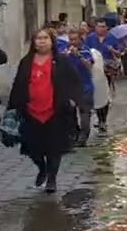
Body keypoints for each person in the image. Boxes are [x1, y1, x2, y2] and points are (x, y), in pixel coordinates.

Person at [8, 29, 81, 194]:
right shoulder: (26, 62)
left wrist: (73, 99)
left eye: (45, 38)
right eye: (38, 38)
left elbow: (74, 81)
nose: (42, 41)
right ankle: (42, 168)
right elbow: (18, 84)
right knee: (33, 148)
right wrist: (13, 106)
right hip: (31, 111)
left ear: (51, 41)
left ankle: (52, 178)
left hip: (55, 111)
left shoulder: (61, 61)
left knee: (54, 148)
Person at [66, 31, 96, 146]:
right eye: (71, 39)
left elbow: (89, 66)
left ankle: (83, 137)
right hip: (70, 87)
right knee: (70, 112)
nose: (73, 42)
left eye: (75, 39)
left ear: (80, 40)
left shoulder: (86, 51)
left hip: (85, 87)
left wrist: (78, 55)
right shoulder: (66, 51)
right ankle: (74, 133)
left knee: (84, 112)